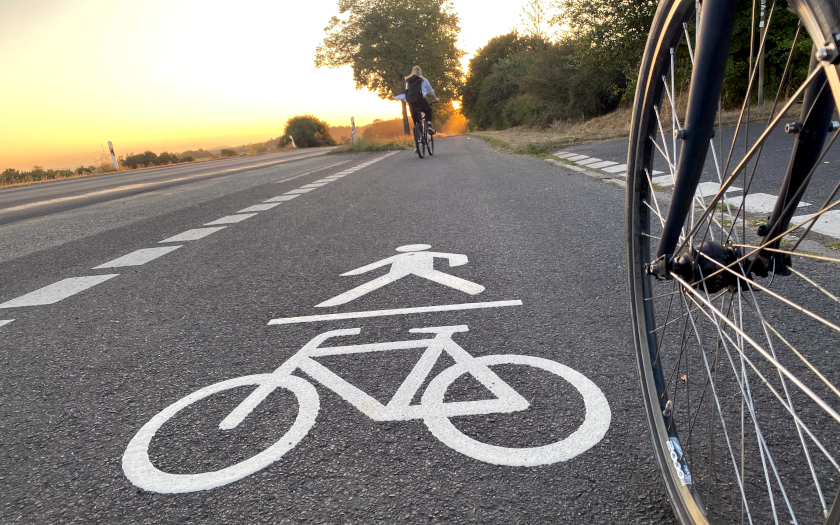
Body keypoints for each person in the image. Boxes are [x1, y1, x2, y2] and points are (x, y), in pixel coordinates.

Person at [404, 66, 440, 137]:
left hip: (411, 102)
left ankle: (417, 138)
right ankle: (429, 125)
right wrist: (435, 99)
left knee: (415, 118)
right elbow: (431, 92)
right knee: (428, 110)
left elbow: (407, 91)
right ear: (420, 72)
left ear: (412, 72)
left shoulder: (408, 81)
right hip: (420, 100)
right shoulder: (424, 80)